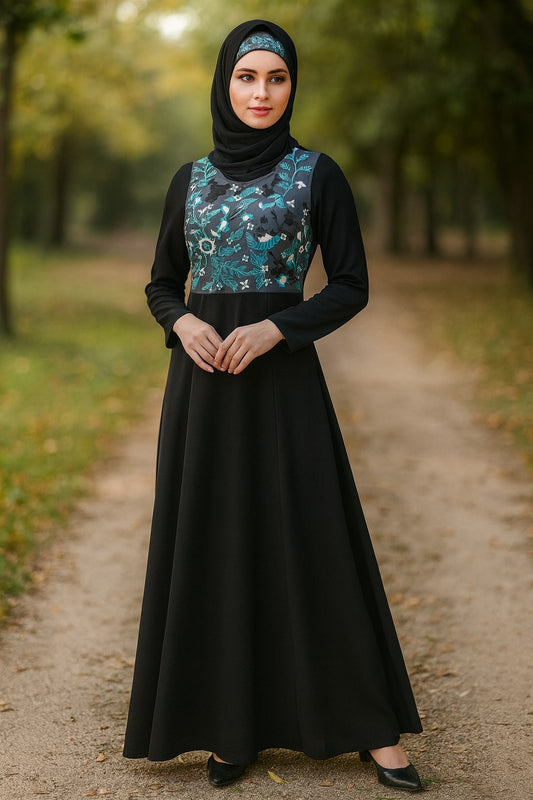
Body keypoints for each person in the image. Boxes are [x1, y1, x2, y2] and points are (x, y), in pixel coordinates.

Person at [123, 19, 423, 793]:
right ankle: (231, 731)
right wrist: (184, 320)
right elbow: (161, 282)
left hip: (283, 386)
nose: (261, 92)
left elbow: (351, 284)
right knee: (217, 540)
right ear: (224, 83)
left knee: (312, 537)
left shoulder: (317, 175)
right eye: (247, 76)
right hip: (202, 393)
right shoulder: (187, 181)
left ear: (292, 87)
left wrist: (276, 330)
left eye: (276, 78)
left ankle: (371, 729)